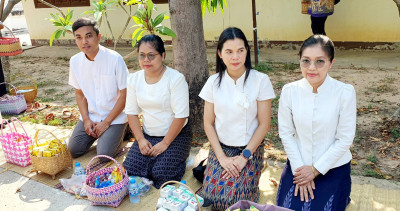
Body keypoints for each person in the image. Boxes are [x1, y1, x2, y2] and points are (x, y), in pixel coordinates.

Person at [276, 35, 356, 210]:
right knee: (287, 207)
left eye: (320, 61)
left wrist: (314, 170)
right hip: (298, 166)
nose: (311, 68)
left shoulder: (344, 93)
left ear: (331, 63)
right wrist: (301, 170)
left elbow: (345, 139)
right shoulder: (289, 91)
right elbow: (286, 133)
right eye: (306, 61)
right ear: (299, 61)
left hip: (333, 166)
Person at [199, 27, 275, 210]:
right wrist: (222, 158)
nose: (235, 57)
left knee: (234, 203)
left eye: (240, 51)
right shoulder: (213, 82)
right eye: (229, 52)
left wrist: (244, 157)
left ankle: (256, 168)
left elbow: (264, 125)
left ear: (246, 51)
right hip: (221, 149)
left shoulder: (260, 80)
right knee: (210, 198)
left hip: (250, 149)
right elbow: (208, 124)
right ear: (220, 54)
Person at [122, 34, 191, 189]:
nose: (146, 60)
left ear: (163, 56)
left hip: (175, 135)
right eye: (142, 56)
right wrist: (140, 139)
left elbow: (181, 116)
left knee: (162, 175)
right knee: (130, 170)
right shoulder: (134, 79)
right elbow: (131, 112)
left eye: (151, 55)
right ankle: (153, 158)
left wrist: (165, 143)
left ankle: (181, 158)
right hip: (148, 134)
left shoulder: (176, 79)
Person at [67, 18, 129, 161]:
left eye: (89, 36)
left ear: (98, 37)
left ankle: (124, 129)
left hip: (115, 116)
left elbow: (125, 95)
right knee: (74, 150)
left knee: (104, 156)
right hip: (92, 116)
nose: (84, 42)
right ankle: (105, 134)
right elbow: (79, 94)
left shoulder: (115, 59)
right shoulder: (75, 61)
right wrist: (87, 119)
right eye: (79, 37)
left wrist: (107, 122)